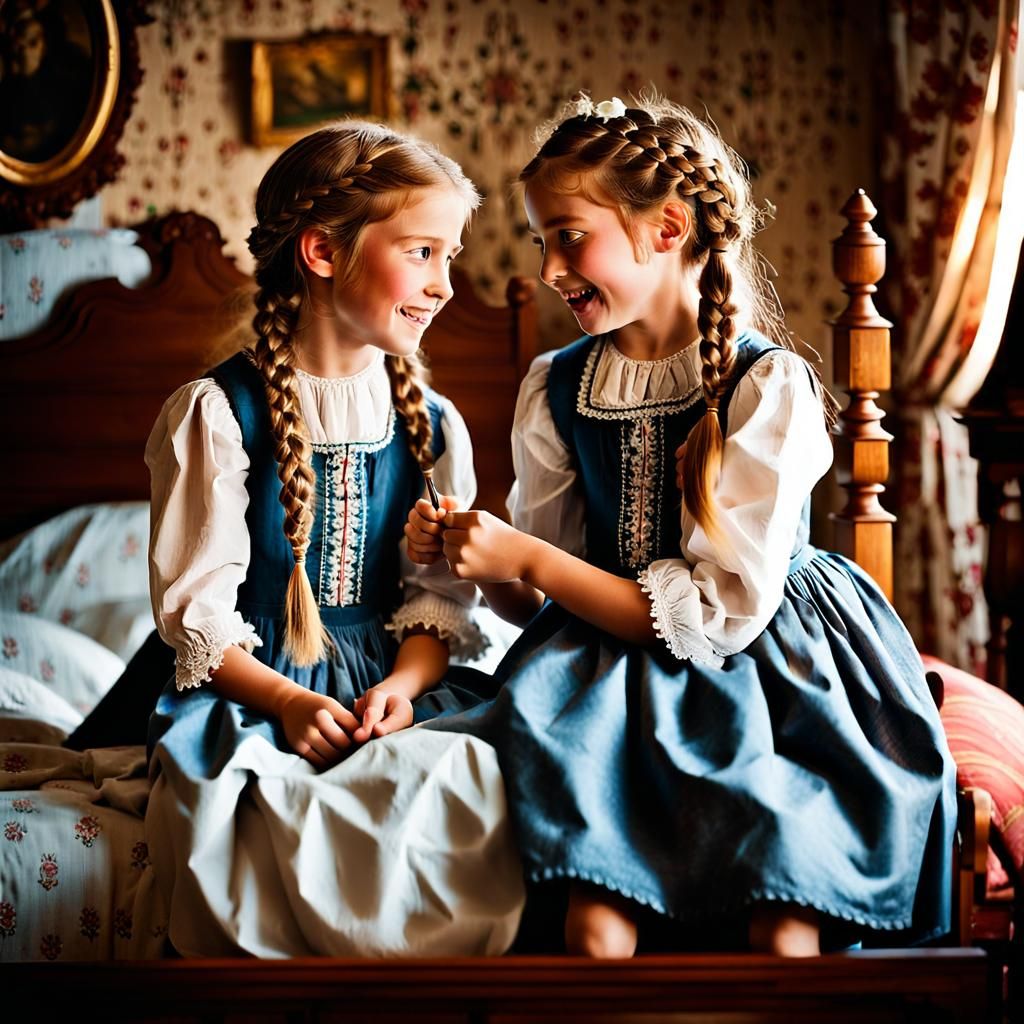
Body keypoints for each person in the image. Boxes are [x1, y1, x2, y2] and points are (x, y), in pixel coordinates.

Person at [406, 95, 956, 959]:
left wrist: (531, 558)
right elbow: (534, 604)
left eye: (568, 235)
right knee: (594, 926)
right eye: (542, 240)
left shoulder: (766, 387)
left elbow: (716, 617)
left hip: (766, 668)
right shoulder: (556, 387)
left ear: (666, 228)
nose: (550, 267)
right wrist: (481, 559)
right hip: (598, 673)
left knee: (783, 917)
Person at [139, 121, 523, 957]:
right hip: (254, 685)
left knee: (484, 781)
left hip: (390, 687)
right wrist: (285, 700)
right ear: (322, 252)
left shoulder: (432, 424)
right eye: (423, 252)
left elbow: (435, 609)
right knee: (257, 804)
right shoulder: (216, 415)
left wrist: (408, 688)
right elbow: (198, 622)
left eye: (450, 258)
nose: (445, 285)